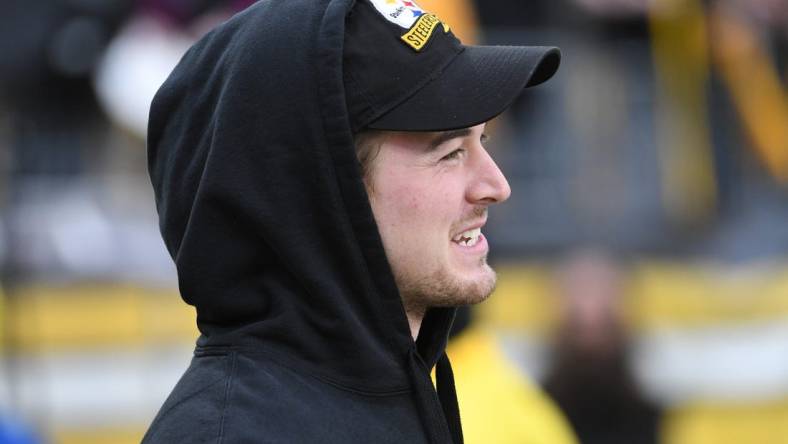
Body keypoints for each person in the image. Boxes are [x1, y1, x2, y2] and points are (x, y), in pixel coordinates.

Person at [143, 0, 559, 442]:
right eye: (450, 152)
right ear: (325, 193)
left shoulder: (395, 393)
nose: (497, 184)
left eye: (483, 140)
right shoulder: (233, 435)